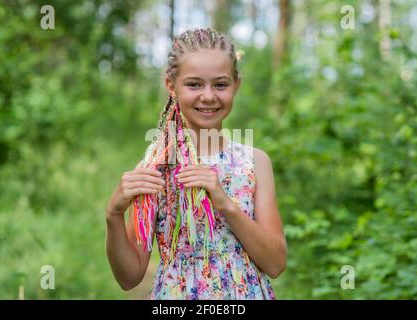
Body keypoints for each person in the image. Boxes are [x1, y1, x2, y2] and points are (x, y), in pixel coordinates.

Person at [105, 27, 286, 300]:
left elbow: (276, 263)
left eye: (221, 84)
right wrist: (114, 216)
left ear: (237, 84)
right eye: (194, 84)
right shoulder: (155, 167)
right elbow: (129, 278)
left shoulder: (254, 163)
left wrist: (225, 204)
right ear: (171, 86)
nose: (209, 95)